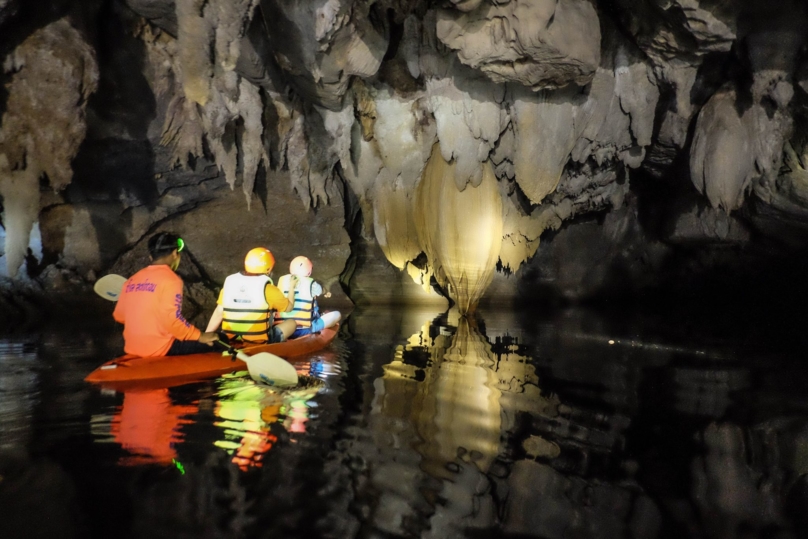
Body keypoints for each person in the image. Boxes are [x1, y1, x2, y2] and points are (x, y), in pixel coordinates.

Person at [113, 232, 219, 357]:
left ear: (151, 257)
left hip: (133, 348)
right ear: (175, 254)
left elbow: (119, 315)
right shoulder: (171, 280)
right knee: (219, 339)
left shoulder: (131, 280)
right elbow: (171, 320)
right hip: (161, 348)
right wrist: (200, 336)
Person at [205, 247, 298, 343]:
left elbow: (218, 313)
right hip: (258, 341)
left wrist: (206, 335)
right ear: (269, 268)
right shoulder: (269, 289)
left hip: (230, 340)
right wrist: (292, 286)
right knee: (292, 323)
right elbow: (289, 308)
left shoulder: (230, 284)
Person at [275, 256, 341, 339]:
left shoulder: (281, 281)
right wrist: (326, 292)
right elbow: (321, 291)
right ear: (309, 273)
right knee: (337, 314)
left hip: (282, 328)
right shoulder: (311, 283)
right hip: (304, 329)